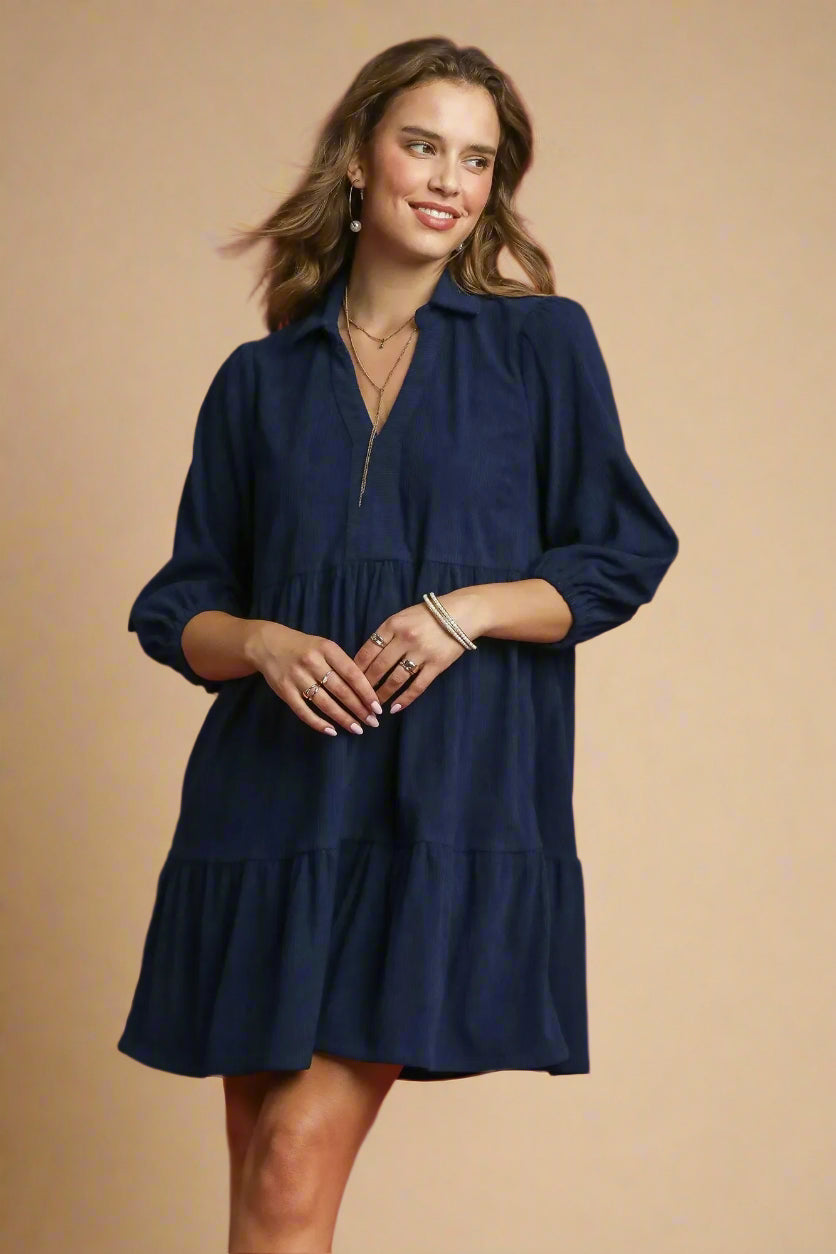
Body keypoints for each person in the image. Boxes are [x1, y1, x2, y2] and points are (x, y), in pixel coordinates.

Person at [117, 35, 680, 1254]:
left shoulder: (540, 348)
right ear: (359, 159)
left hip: (440, 800)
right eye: (422, 144)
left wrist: (461, 610)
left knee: (288, 1169)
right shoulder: (255, 384)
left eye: (477, 159)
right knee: (262, 1183)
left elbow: (620, 554)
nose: (448, 180)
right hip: (270, 803)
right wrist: (261, 640)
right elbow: (179, 607)